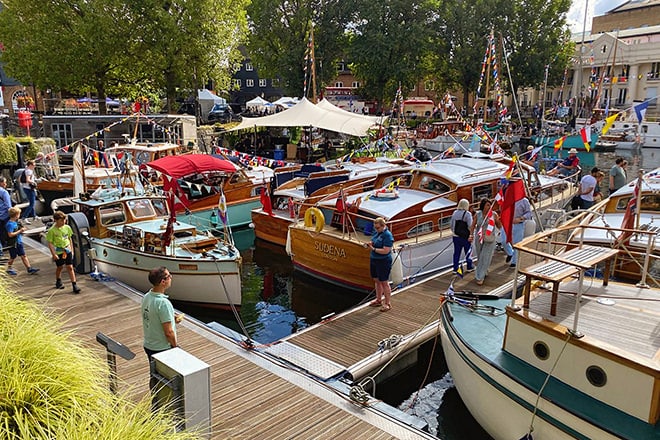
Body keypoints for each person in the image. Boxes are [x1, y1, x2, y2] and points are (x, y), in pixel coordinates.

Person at [142, 267, 184, 360]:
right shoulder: (163, 303)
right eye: (169, 276)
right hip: (162, 348)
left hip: (149, 345)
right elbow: (169, 332)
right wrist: (175, 347)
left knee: (154, 373)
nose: (171, 277)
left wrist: (172, 318)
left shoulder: (147, 296)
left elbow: (153, 315)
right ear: (163, 282)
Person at [46, 210, 81, 293]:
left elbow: (69, 238)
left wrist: (72, 250)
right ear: (56, 220)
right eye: (61, 220)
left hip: (67, 249)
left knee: (70, 267)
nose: (63, 222)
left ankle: (74, 284)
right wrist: (54, 254)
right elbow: (50, 243)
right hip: (59, 251)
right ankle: (58, 280)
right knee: (60, 267)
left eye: (64, 220)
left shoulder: (67, 228)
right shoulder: (52, 231)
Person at [367, 217, 394, 312]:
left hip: (383, 261)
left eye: (378, 228)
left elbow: (386, 250)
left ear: (383, 226)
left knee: (384, 281)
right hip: (374, 259)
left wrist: (373, 249)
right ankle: (378, 299)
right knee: (376, 280)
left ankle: (387, 303)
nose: (376, 229)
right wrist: (371, 243)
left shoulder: (387, 235)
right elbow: (374, 241)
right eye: (375, 228)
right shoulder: (377, 233)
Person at [472, 199, 501, 285]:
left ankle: (479, 277)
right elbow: (473, 225)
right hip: (479, 238)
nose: (489, 207)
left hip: (490, 238)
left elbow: (499, 225)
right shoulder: (478, 214)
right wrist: (470, 235)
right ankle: (484, 270)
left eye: (490, 205)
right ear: (483, 206)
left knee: (485, 257)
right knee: (480, 256)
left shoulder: (493, 215)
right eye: (487, 205)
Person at [5, 207, 39, 276]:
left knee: (23, 255)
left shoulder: (15, 222)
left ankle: (29, 268)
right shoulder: (10, 224)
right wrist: (20, 231)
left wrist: (21, 230)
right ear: (16, 215)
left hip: (19, 242)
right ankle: (9, 268)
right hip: (14, 243)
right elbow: (10, 235)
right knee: (13, 257)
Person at [507, 196, 533, 268]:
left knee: (517, 243)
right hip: (507, 224)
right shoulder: (508, 198)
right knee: (503, 240)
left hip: (518, 224)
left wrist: (521, 218)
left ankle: (514, 262)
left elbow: (529, 213)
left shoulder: (524, 201)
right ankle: (510, 253)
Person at [451, 199, 474, 275]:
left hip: (456, 236)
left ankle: (455, 268)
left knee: (456, 253)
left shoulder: (454, 213)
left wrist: (456, 232)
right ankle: (469, 267)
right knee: (468, 252)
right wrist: (471, 234)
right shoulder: (467, 214)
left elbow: (452, 226)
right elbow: (470, 226)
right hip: (465, 237)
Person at [0, 176, 11, 257]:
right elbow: (8, 205)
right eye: (4, 182)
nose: (6, 184)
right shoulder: (4, 192)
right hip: (4, 215)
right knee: (7, 231)